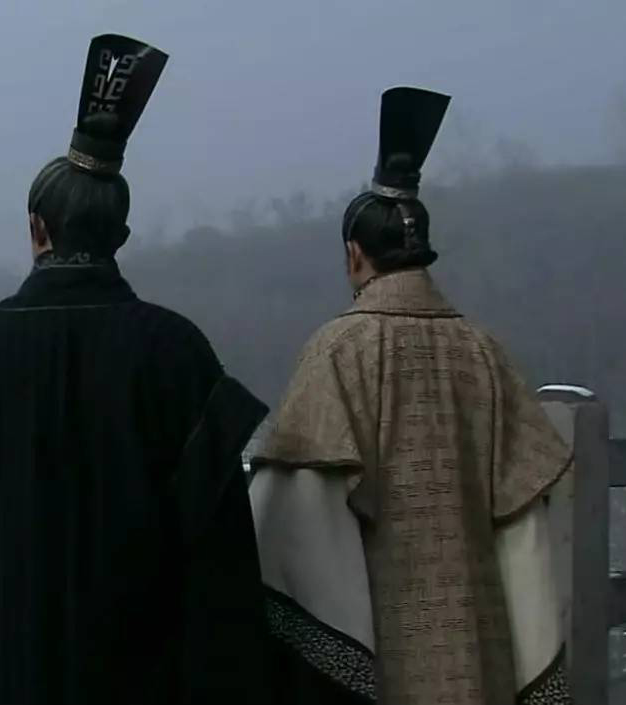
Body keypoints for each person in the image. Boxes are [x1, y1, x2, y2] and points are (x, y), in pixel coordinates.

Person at [0, 34, 270, 705]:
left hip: (10, 674)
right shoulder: (178, 353)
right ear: (118, 236)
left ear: (37, 229)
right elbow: (222, 565)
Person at [249, 87, 572, 705]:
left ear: (355, 255)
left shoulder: (338, 351)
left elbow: (295, 524)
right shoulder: (486, 353)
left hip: (386, 655)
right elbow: (526, 533)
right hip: (482, 653)